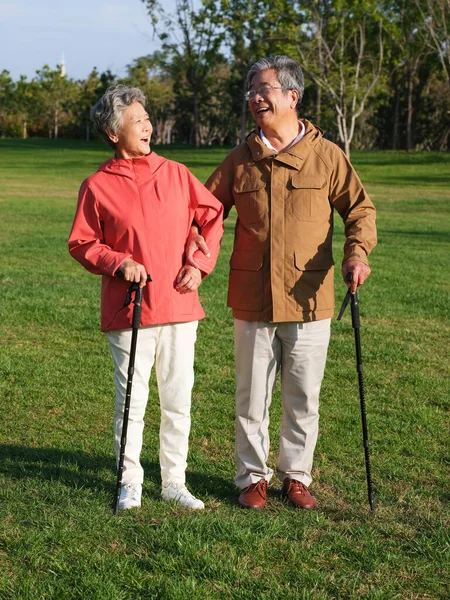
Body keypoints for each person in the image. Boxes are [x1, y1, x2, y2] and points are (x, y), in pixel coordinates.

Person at [189, 56, 377, 510]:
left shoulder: (328, 156)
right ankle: (252, 478)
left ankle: (296, 476)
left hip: (310, 297)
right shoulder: (239, 159)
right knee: (251, 394)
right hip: (252, 296)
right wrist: (189, 250)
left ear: (292, 96)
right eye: (251, 90)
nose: (255, 97)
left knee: (303, 394)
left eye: (265, 89)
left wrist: (357, 253)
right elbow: (203, 213)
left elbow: (360, 211)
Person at [68, 85, 223, 511]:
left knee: (178, 400)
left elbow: (211, 216)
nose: (148, 126)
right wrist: (118, 262)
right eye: (138, 120)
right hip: (130, 310)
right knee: (131, 401)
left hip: (178, 304)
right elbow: (82, 243)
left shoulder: (175, 173)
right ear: (114, 132)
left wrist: (198, 265)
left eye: (147, 118)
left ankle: (175, 482)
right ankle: (129, 481)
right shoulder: (97, 185)